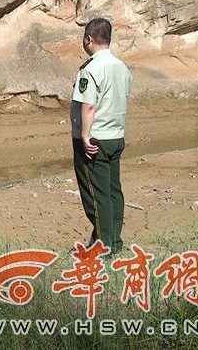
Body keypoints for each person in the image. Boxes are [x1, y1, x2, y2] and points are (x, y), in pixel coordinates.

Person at [70, 17, 133, 255]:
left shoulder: (91, 68)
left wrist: (85, 137)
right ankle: (112, 241)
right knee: (112, 190)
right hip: (116, 135)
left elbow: (88, 106)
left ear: (89, 39)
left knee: (95, 195)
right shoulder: (121, 67)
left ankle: (103, 247)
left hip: (95, 138)